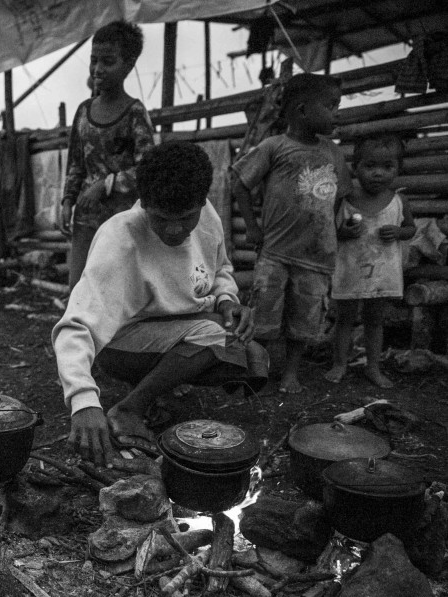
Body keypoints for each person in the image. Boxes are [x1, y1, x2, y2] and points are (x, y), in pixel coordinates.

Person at [53, 142, 268, 466]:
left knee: (255, 358)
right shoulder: (120, 239)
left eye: (185, 217)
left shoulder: (208, 216)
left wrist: (226, 301)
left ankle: (159, 387)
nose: (174, 229)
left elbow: (220, 267)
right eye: (161, 218)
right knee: (213, 336)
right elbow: (75, 326)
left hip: (178, 327)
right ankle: (129, 408)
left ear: (202, 202)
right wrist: (83, 400)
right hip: (120, 344)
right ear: (144, 204)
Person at [231, 73, 353, 394]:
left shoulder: (334, 154)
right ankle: (260, 369)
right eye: (331, 105)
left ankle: (291, 374)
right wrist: (253, 227)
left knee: (305, 320)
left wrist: (339, 227)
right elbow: (240, 182)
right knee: (264, 314)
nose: (336, 112)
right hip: (275, 251)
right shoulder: (275, 147)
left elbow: (338, 198)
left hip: (317, 256)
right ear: (301, 110)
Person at [58, 19, 156, 289]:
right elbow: (76, 164)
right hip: (86, 220)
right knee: (79, 291)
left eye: (108, 61)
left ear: (129, 64)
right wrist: (67, 201)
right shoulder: (83, 111)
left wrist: (107, 184)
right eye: (93, 60)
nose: (98, 69)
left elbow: (148, 169)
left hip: (123, 222)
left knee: (117, 293)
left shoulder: (134, 113)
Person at [325, 135, 416, 387]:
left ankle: (373, 367)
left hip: (381, 274)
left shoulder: (399, 201)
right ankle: (340, 363)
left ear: (398, 169)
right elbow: (329, 231)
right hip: (350, 270)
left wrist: (399, 233)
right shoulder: (345, 200)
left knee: (375, 321)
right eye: (370, 166)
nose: (378, 174)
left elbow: (410, 229)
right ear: (356, 168)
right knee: (344, 319)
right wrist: (343, 232)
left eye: (387, 167)